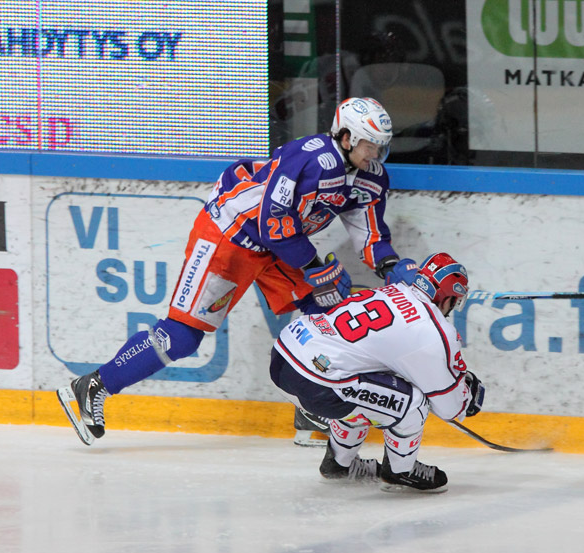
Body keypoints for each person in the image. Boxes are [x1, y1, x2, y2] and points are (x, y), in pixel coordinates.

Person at [56, 97, 419, 446]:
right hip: (232, 235)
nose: (375, 155)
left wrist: (391, 266)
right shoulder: (309, 158)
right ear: (345, 137)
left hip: (282, 245)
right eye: (369, 145)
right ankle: (93, 385)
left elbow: (369, 233)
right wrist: (313, 266)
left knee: (329, 316)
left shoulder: (371, 178)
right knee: (182, 337)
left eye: (380, 147)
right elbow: (272, 220)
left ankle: (310, 411)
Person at [269, 252, 486, 493]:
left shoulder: (395, 290)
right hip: (317, 382)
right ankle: (400, 470)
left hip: (285, 353)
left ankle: (338, 465)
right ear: (449, 297)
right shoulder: (435, 331)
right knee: (413, 402)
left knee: (360, 390)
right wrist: (468, 394)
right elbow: (450, 408)